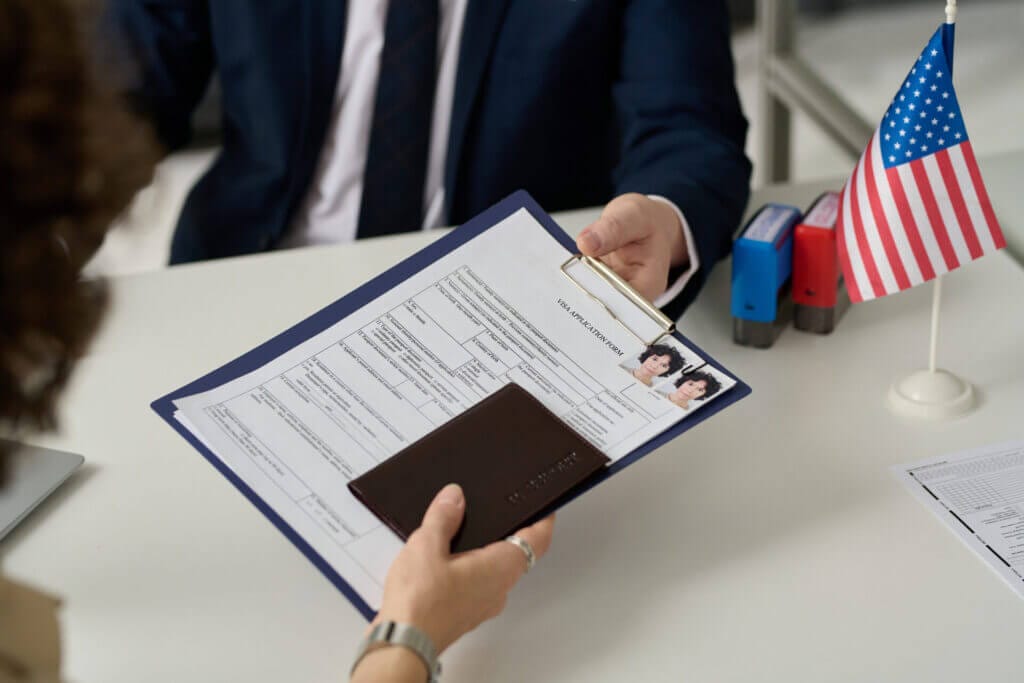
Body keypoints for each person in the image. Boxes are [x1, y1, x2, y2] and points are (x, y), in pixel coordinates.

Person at [1, 5, 554, 680]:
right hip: (236, 306)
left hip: (496, 321)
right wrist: (409, 640)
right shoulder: (22, 639)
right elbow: (115, 95)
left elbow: (679, 126)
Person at [104, 1, 752, 319]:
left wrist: (664, 218)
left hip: (508, 308)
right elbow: (115, 95)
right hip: (249, 285)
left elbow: (688, 126)